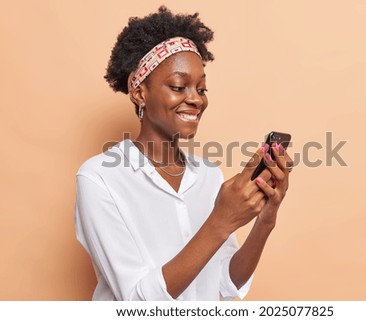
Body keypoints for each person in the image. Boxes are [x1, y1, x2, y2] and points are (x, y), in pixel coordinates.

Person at [74, 5, 293, 301]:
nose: (195, 100)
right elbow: (138, 302)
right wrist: (221, 220)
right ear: (139, 92)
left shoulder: (208, 174)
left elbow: (225, 284)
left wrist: (265, 219)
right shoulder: (100, 178)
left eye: (201, 89)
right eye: (179, 86)